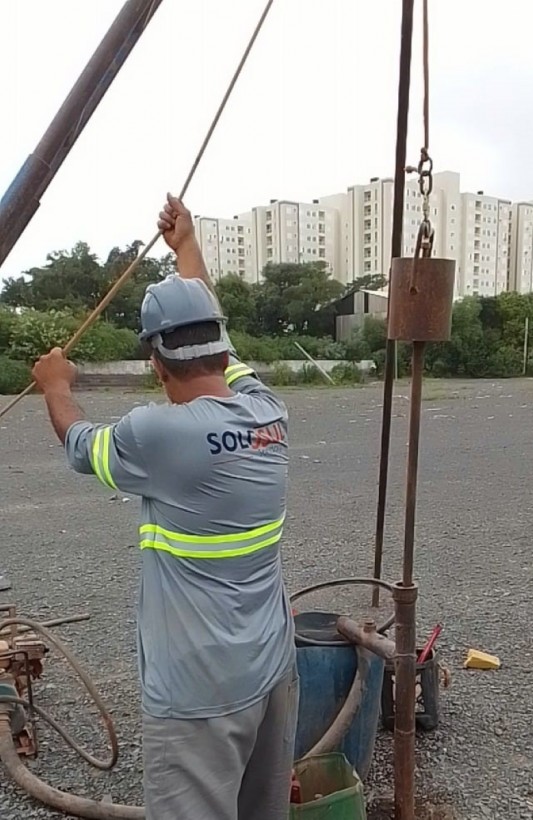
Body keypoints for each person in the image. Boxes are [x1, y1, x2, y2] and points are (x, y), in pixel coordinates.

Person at [31, 194, 298, 820]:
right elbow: (213, 345)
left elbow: (79, 445)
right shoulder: (267, 411)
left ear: (155, 362)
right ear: (224, 351)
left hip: (199, 692)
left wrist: (56, 386)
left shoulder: (157, 434)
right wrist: (187, 251)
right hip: (270, 673)